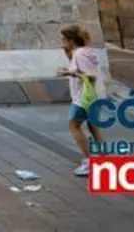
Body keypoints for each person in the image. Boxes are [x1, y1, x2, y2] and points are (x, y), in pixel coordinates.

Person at [57, 24, 103, 177]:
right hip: (93, 96)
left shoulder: (80, 54)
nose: (62, 42)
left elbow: (90, 76)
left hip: (83, 98)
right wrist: (69, 61)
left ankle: (89, 162)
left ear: (71, 40)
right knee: (93, 127)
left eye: (64, 39)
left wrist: (70, 73)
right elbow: (83, 70)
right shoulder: (85, 52)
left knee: (74, 125)